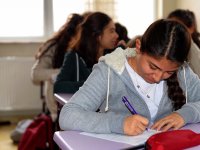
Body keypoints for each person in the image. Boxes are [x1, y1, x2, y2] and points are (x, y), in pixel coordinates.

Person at [59, 19, 200, 136]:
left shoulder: (183, 72)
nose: (158, 78)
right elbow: (68, 115)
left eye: (169, 72)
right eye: (153, 67)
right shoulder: (109, 71)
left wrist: (185, 114)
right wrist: (119, 123)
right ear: (138, 47)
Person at [31, 13, 85, 121]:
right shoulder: (54, 47)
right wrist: (64, 72)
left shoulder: (86, 46)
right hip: (58, 103)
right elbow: (35, 74)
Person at [54, 12, 119, 93]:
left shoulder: (110, 57)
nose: (116, 35)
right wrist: (91, 84)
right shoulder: (74, 56)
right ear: (97, 34)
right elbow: (58, 86)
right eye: (111, 31)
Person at [167, 9, 200, 77]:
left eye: (178, 28)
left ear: (191, 29)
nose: (173, 32)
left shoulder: (192, 51)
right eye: (170, 27)